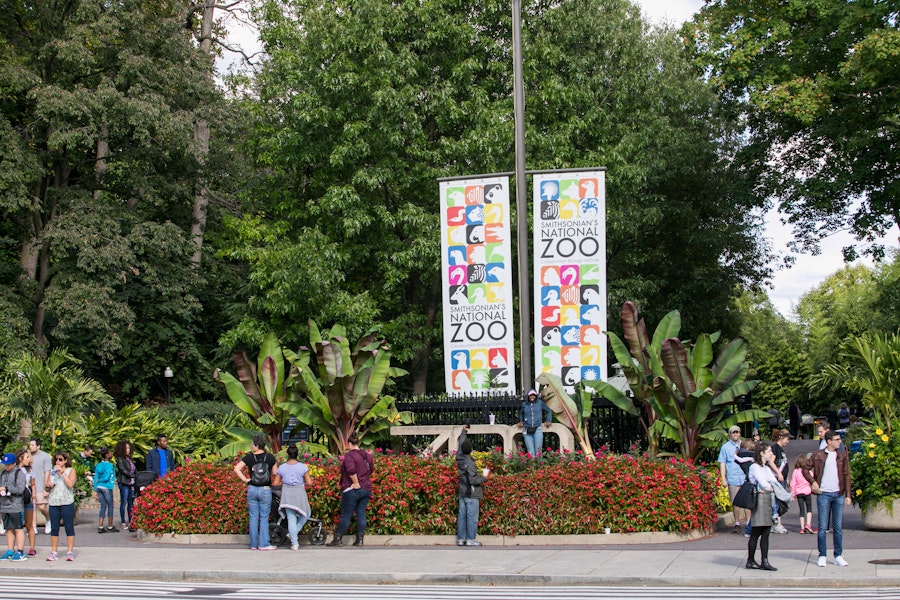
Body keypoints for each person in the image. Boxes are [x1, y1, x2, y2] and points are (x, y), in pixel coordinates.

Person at [327, 433, 374, 547]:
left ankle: (338, 538)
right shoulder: (367, 455)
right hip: (366, 487)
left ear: (349, 444)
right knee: (361, 512)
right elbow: (371, 469)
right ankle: (360, 539)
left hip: (352, 488)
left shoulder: (349, 456)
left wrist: (355, 482)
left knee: (346, 514)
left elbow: (351, 470)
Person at [812, 430, 851, 567]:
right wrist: (813, 482)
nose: (839, 442)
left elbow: (846, 475)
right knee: (822, 527)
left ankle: (838, 555)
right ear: (829, 441)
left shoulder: (842, 455)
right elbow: (804, 468)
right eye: (837, 440)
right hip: (824, 494)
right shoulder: (819, 455)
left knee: (838, 527)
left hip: (838, 494)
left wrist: (848, 495)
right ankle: (822, 555)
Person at [234, 433, 278, 551]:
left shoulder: (249, 458)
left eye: (252, 444)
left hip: (252, 488)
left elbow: (237, 468)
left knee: (253, 517)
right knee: (264, 517)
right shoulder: (270, 457)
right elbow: (275, 472)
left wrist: (245, 479)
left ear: (256, 445)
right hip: (265, 489)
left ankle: (253, 544)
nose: (251, 446)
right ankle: (264, 544)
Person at [746, 441, 778, 571]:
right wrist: (770, 487)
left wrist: (771, 487)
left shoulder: (766, 468)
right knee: (756, 531)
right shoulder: (755, 467)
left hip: (767, 500)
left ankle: (764, 560)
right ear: (762, 453)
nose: (771, 454)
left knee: (766, 532)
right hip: (759, 500)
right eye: (769, 451)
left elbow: (774, 481)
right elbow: (764, 484)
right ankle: (750, 560)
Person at [456, 425, 488, 547]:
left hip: (462, 491)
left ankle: (461, 539)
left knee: (462, 516)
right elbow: (473, 480)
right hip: (471, 492)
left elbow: (461, 445)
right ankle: (470, 539)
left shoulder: (460, 457)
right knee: (471, 517)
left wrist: (464, 431)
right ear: (471, 450)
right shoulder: (470, 463)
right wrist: (484, 477)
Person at [276, 443, 312, 551]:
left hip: (287, 493)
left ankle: (294, 543)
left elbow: (276, 483)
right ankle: (294, 533)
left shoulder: (282, 467)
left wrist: (284, 482)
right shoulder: (302, 467)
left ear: (287, 454)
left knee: (291, 517)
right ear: (297, 454)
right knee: (307, 513)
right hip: (299, 492)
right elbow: (309, 482)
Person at [45, 452, 77, 562]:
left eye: (60, 459)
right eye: (56, 460)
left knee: (69, 527)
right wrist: (48, 486)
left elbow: (70, 484)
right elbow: (47, 487)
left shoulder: (70, 471)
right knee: (54, 528)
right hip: (54, 502)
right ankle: (54, 551)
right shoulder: (52, 472)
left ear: (65, 461)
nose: (58, 462)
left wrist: (62, 473)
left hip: (66, 502)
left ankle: (70, 552)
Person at [718, 425, 747, 532]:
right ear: (730, 434)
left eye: (737, 432)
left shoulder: (744, 444)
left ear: (739, 433)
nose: (735, 434)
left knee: (747, 501)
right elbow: (722, 463)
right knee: (735, 501)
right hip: (733, 477)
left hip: (744, 476)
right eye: (733, 432)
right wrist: (723, 479)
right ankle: (737, 523)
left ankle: (749, 522)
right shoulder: (725, 447)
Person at [0, 453, 27, 561]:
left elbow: (20, 489)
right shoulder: (3, 473)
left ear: (14, 463)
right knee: (8, 528)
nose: (6, 466)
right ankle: (10, 550)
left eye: (9, 464)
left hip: (15, 506)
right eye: (5, 464)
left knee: (18, 529)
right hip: (4, 505)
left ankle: (20, 551)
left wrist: (6, 489)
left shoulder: (19, 473)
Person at [516, 389, 552, 457]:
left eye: (534, 395)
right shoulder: (524, 404)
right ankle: (531, 466)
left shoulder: (540, 403)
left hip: (537, 428)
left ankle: (539, 466)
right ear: (528, 396)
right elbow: (521, 414)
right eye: (530, 395)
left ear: (536, 396)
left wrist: (548, 420)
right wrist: (521, 421)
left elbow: (549, 411)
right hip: (527, 429)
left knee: (538, 451)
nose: (532, 397)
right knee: (530, 451)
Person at [28, 438, 52, 534]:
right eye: (30, 445)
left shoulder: (45, 456)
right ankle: (33, 527)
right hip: (31, 486)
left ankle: (48, 520)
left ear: (38, 446)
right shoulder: (28, 456)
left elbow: (48, 471)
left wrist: (46, 487)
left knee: (42, 507)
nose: (31, 447)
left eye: (33, 445)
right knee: (31, 508)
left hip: (40, 485)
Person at [16, 449, 37, 556]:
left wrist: (34, 492)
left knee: (29, 524)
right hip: (16, 500)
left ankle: (32, 548)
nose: (29, 460)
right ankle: (19, 548)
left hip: (27, 498)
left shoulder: (30, 471)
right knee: (18, 526)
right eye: (27, 457)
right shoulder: (15, 470)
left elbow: (33, 484)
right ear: (20, 458)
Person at [93, 447, 118, 533]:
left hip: (99, 487)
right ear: (107, 455)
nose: (111, 454)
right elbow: (107, 477)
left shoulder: (98, 465)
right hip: (107, 487)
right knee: (110, 505)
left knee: (103, 506)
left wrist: (95, 488)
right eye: (110, 453)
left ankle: (100, 526)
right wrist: (102, 480)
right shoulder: (110, 465)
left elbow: (96, 477)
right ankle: (110, 526)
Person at [770, 429, 790, 534]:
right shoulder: (775, 448)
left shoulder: (780, 449)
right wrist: (778, 473)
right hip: (777, 479)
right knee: (777, 501)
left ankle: (777, 523)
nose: (788, 441)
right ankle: (777, 523)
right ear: (781, 438)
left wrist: (787, 478)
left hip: (782, 478)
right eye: (787, 439)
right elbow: (771, 462)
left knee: (780, 500)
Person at [114, 440, 136, 530]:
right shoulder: (120, 459)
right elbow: (122, 470)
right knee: (124, 502)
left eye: (129, 448)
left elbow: (134, 469)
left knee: (131, 503)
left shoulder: (129, 459)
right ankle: (123, 521)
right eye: (126, 448)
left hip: (131, 483)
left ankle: (131, 520)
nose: (128, 450)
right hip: (124, 482)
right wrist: (131, 475)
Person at [791, 455, 815, 534]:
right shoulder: (808, 472)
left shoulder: (795, 471)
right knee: (809, 509)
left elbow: (793, 483)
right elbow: (812, 479)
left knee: (801, 510)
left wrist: (793, 493)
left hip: (798, 493)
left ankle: (802, 528)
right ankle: (808, 524)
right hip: (807, 491)